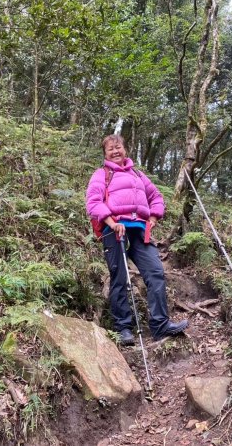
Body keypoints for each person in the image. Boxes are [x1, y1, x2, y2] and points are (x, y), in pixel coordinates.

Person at [86, 134, 188, 345]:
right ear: (105, 153)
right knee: (119, 277)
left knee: (155, 272)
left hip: (140, 230)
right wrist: (112, 222)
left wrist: (153, 217)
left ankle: (160, 325)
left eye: (118, 147)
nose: (115, 151)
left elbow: (156, 197)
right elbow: (93, 202)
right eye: (110, 149)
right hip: (114, 230)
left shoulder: (138, 175)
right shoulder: (101, 175)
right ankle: (123, 328)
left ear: (125, 149)